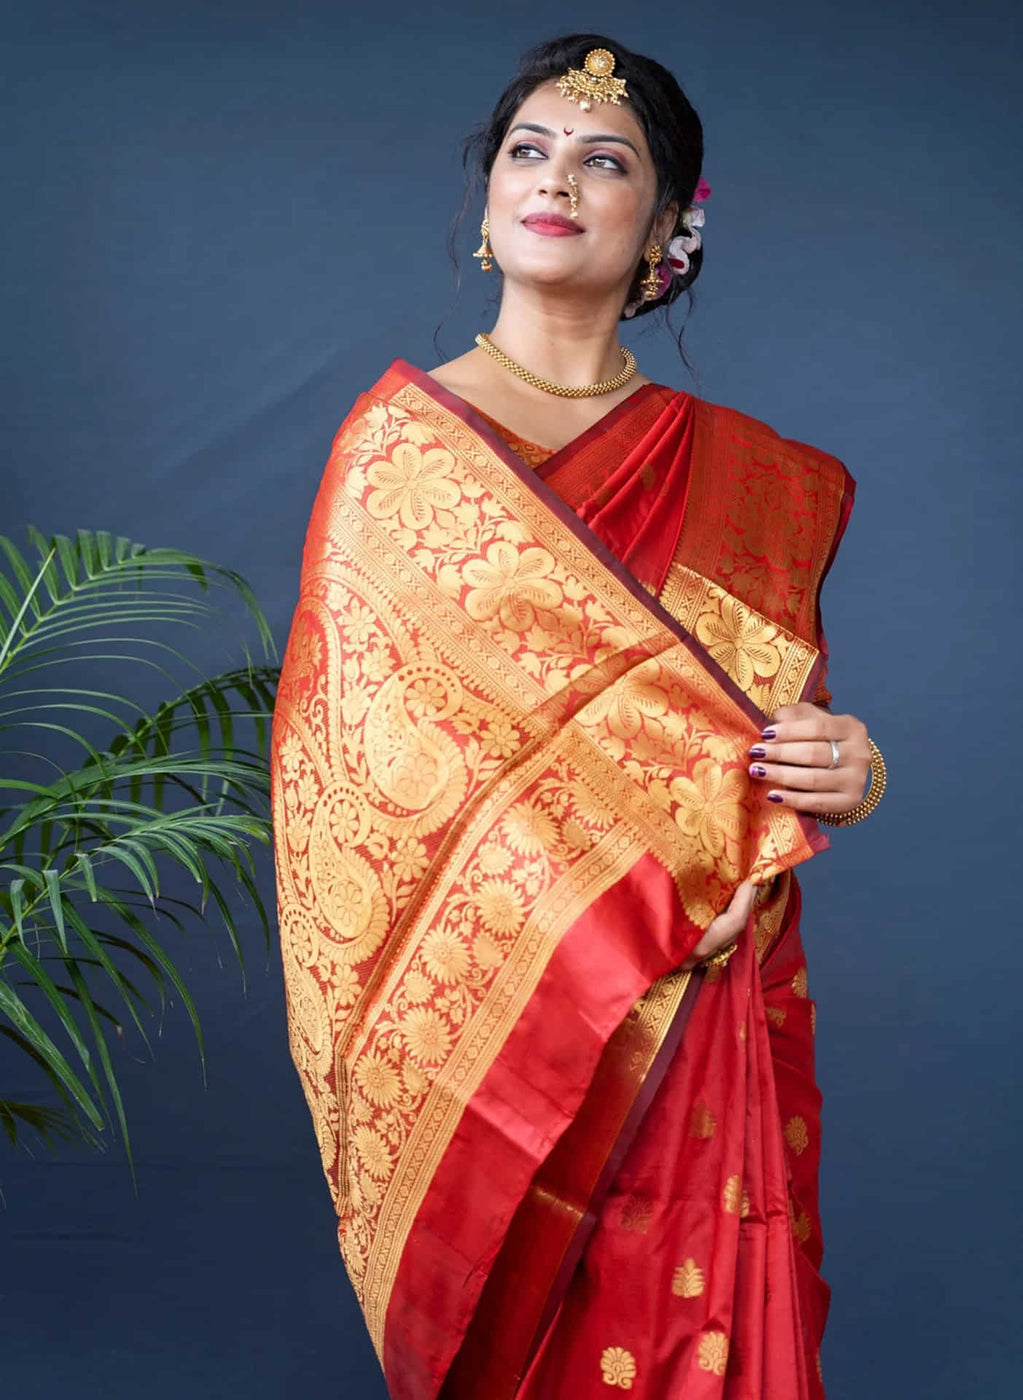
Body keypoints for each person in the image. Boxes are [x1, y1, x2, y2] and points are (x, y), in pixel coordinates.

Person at [271, 32, 886, 1400]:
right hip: (530, 1021)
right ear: (488, 201)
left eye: (605, 161)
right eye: (528, 152)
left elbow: (772, 736)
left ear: (668, 226)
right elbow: (361, 791)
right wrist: (636, 898)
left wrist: (854, 767)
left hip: (704, 1008)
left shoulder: (750, 479)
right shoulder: (402, 454)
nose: (556, 180)